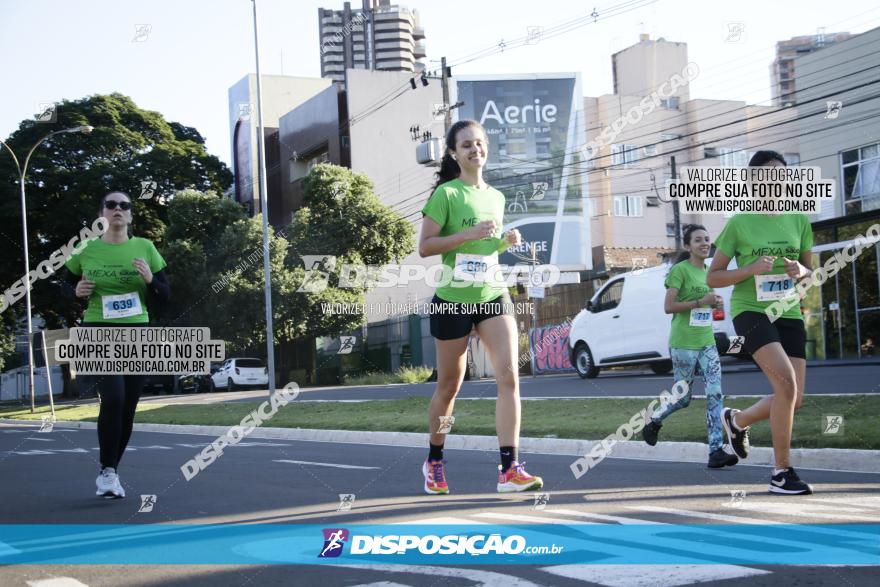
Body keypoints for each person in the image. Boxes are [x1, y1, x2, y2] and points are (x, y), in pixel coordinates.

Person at [419, 119, 543, 494]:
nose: (475, 149)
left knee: (509, 377)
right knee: (449, 388)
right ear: (454, 153)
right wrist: (467, 234)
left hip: (492, 295)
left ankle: (509, 469)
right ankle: (435, 459)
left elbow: (484, 251)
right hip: (453, 301)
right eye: (466, 145)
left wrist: (504, 243)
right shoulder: (447, 194)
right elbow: (426, 247)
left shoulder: (497, 197)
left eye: (479, 143)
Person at [708, 150, 814, 495]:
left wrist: (802, 271)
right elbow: (714, 277)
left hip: (789, 312)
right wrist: (750, 270)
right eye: (769, 174)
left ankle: (736, 421)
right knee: (786, 386)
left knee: (794, 398)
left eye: (783, 174)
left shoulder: (799, 220)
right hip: (751, 311)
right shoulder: (740, 223)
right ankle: (781, 473)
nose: (778, 180)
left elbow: (810, 276)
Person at [63, 191, 170, 498]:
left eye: (124, 206)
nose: (118, 209)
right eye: (111, 205)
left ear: (131, 216)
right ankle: (107, 471)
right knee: (113, 398)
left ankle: (111, 471)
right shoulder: (85, 249)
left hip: (136, 332)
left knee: (128, 407)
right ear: (102, 213)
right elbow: (64, 285)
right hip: (97, 330)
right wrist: (75, 291)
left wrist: (151, 280)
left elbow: (166, 294)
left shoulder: (145, 248)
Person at [642, 225, 738, 469]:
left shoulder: (709, 272)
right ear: (688, 246)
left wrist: (713, 304)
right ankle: (654, 420)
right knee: (682, 399)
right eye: (698, 240)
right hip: (683, 343)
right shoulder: (679, 271)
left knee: (715, 393)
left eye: (707, 239)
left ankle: (715, 451)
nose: (705, 243)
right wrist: (700, 301)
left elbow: (706, 306)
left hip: (706, 342)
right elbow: (669, 306)